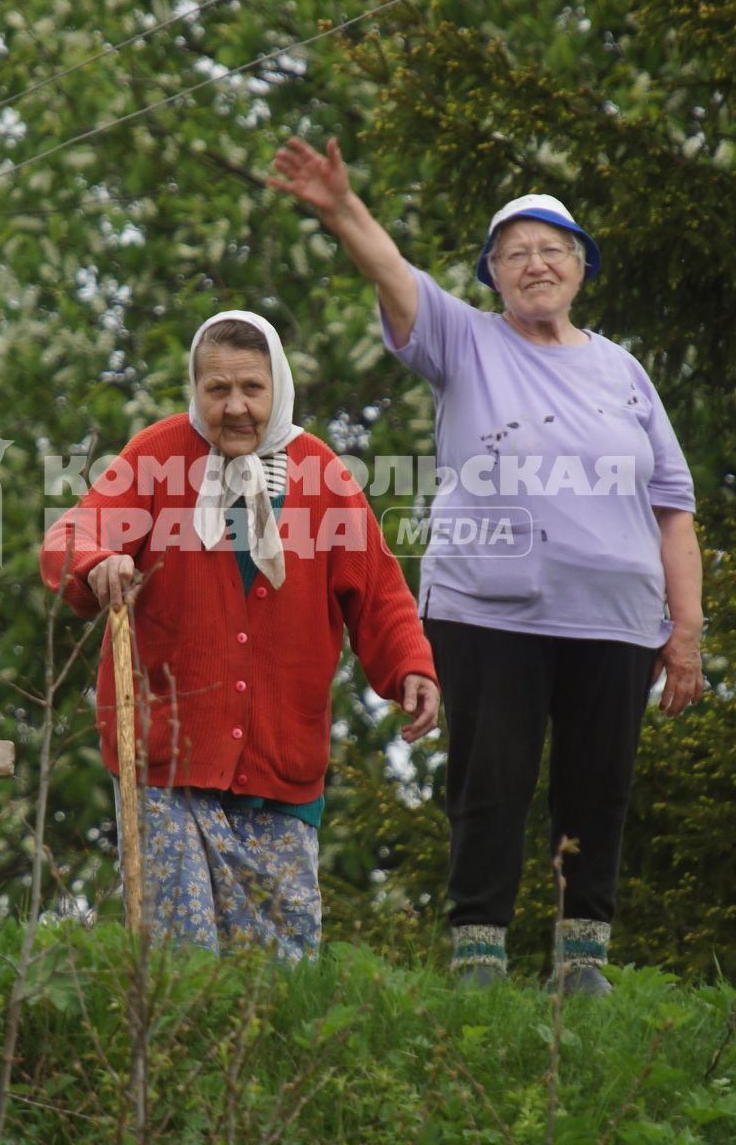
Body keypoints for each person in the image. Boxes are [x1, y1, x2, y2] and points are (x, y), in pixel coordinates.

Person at [268, 137, 704, 993]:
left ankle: (583, 968)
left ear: (581, 269)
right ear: (492, 275)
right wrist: (341, 210)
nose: (535, 265)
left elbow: (674, 509)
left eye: (552, 251)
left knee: (598, 791)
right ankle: (478, 962)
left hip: (615, 619)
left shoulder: (624, 371)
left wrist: (685, 630)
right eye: (515, 255)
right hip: (488, 611)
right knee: (490, 786)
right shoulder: (462, 343)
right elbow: (394, 274)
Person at [41, 309, 440, 962]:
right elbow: (69, 539)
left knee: (285, 970)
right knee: (182, 964)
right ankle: (173, 1067)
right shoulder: (157, 457)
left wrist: (411, 668)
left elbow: (379, 591)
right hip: (169, 761)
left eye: (251, 388)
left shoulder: (320, 474)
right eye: (217, 389)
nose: (235, 407)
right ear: (195, 391)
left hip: (282, 765)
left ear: (278, 387)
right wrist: (98, 563)